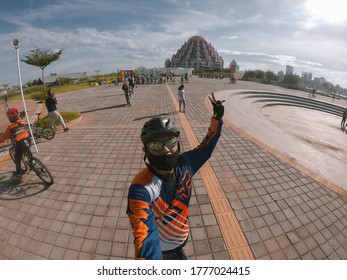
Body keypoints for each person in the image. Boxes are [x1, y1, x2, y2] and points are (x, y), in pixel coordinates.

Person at [126, 92, 224, 260]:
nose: (165, 150)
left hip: (180, 246)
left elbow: (206, 147)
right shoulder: (141, 189)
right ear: (145, 151)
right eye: (156, 145)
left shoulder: (185, 164)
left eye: (170, 143)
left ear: (178, 144)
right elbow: (144, 238)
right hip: (163, 255)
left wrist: (216, 118)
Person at [0, 108, 33, 177]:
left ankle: (19, 172)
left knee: (17, 157)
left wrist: (1, 140)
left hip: (20, 144)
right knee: (27, 148)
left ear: (10, 118)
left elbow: (5, 136)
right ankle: (33, 161)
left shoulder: (10, 127)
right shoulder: (21, 121)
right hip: (28, 139)